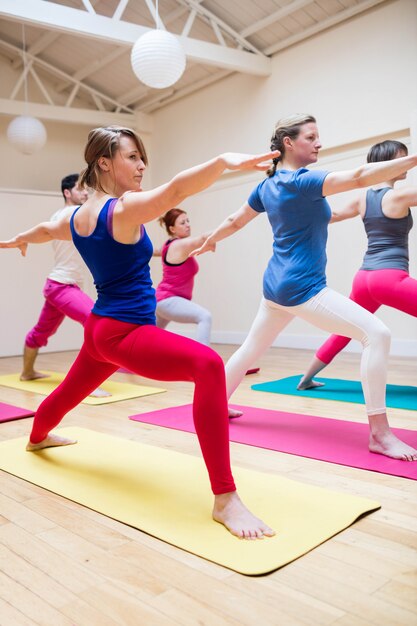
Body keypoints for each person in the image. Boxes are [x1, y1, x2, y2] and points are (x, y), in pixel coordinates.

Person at [0, 125, 278, 539]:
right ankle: (225, 499)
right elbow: (174, 192)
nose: (141, 164)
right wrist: (222, 161)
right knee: (208, 364)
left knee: (66, 395)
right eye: (132, 157)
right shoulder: (123, 209)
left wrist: (19, 239)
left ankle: (37, 437)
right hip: (124, 332)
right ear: (104, 163)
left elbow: (46, 230)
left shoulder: (75, 216)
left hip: (100, 329)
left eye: (141, 156)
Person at [192, 114, 417, 462]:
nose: (319, 143)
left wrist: (211, 240)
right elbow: (359, 176)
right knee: (378, 334)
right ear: (288, 143)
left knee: (250, 348)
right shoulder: (303, 180)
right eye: (311, 137)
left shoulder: (268, 184)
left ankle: (212, 407)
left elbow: (235, 220)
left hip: (274, 287)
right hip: (303, 287)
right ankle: (380, 434)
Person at [298, 139, 416, 389]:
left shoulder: (361, 198)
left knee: (345, 331)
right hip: (389, 278)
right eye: (401, 157)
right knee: (348, 329)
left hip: (364, 279)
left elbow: (331, 216)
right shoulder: (400, 195)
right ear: (386, 164)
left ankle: (306, 378)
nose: (407, 163)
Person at [154, 208, 212, 345]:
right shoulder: (180, 244)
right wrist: (232, 224)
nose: (187, 225)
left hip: (161, 300)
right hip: (168, 300)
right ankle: (203, 362)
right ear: (172, 229)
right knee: (205, 316)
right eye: (182, 223)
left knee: (152, 336)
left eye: (188, 221)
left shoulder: (168, 245)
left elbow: (156, 251)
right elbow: (203, 238)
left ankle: (127, 365)